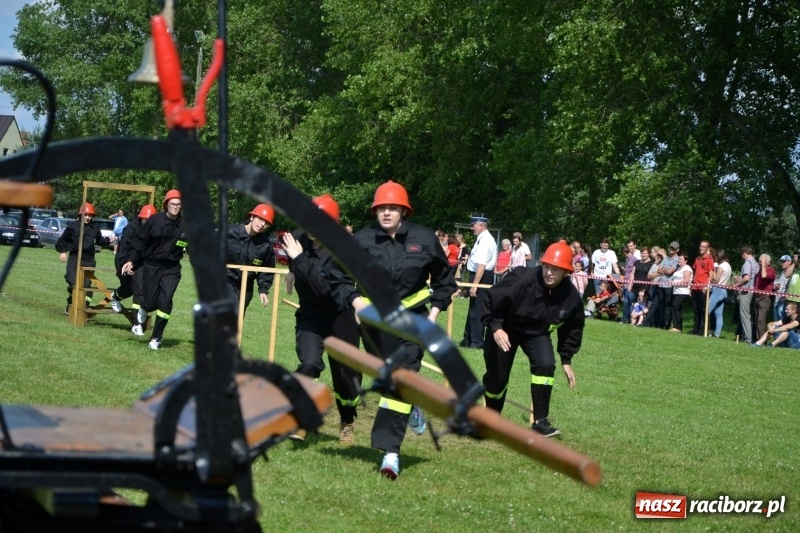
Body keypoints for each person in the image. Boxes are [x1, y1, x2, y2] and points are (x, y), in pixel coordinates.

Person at [331, 180, 455, 479]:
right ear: (375, 212)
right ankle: (411, 407)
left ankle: (390, 453)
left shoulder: (425, 238)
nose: (386, 213)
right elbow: (337, 275)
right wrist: (356, 303)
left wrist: (434, 313)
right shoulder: (361, 240)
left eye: (392, 208)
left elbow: (445, 281)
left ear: (404, 211)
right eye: (381, 208)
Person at [481, 241, 584, 437]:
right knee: (498, 377)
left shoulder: (570, 296)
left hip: (536, 332)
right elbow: (491, 299)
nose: (549, 273)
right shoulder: (521, 278)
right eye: (546, 267)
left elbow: (573, 327)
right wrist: (496, 328)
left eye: (555, 269)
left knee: (546, 365)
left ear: (566, 272)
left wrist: (566, 359)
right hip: (505, 327)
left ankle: (540, 422)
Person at [282, 195, 362, 445]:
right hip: (311, 315)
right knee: (308, 363)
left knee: (346, 377)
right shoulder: (298, 238)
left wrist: (298, 260)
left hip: (340, 316)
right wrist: (291, 271)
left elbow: (322, 288)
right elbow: (297, 262)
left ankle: (347, 421)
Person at [121, 189, 186, 350]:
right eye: (172, 204)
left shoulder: (185, 225)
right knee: (150, 303)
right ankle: (144, 307)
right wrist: (131, 260)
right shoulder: (154, 221)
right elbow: (140, 241)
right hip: (152, 266)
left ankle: (156, 337)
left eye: (178, 204)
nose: (175, 207)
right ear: (166, 205)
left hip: (172, 268)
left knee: (165, 301)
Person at [55, 202, 111, 314]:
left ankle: (84, 307)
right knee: (73, 281)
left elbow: (99, 240)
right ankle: (71, 302)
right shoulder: (73, 226)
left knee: (86, 286)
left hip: (89, 259)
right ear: (81, 215)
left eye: (90, 216)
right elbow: (62, 241)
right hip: (75, 257)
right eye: (86, 215)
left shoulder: (95, 227)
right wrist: (63, 252)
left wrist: (109, 240)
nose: (88, 218)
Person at [110, 204, 157, 323]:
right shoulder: (131, 228)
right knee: (127, 289)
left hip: (140, 263)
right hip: (124, 260)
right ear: (141, 218)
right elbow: (123, 248)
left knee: (139, 290)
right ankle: (115, 296)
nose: (148, 223)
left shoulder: (154, 231)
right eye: (146, 219)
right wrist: (127, 263)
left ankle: (137, 323)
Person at [225, 204, 276, 313]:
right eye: (260, 219)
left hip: (246, 285)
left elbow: (267, 270)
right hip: (225, 279)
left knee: (238, 317)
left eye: (266, 223)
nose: (262, 224)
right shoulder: (229, 232)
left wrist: (263, 289)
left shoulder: (265, 246)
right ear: (252, 217)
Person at [460, 215, 496, 349]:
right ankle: (468, 338)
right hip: (480, 275)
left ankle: (476, 341)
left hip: (481, 276)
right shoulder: (482, 239)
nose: (471, 228)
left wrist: (475, 285)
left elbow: (481, 265)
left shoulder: (485, 240)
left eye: (473, 225)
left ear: (480, 226)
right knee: (473, 308)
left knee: (478, 310)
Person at [732, 245, 759, 344]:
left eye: (741, 255)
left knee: (745, 315)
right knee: (748, 314)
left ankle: (747, 338)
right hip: (752, 291)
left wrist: (737, 284)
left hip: (746, 291)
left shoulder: (748, 262)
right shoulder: (755, 263)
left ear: (744, 253)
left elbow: (746, 278)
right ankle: (745, 335)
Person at [690, 240, 715, 335]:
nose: (701, 248)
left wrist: (706, 286)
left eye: (704, 247)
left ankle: (703, 329)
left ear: (707, 248)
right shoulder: (697, 259)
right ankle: (696, 328)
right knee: (696, 309)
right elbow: (696, 273)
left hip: (703, 288)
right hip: (695, 287)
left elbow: (711, 274)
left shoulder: (709, 259)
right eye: (701, 246)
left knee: (704, 309)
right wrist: (691, 286)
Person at [707, 249, 732, 338]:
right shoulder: (728, 265)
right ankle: (717, 334)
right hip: (724, 290)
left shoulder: (721, 266)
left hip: (717, 290)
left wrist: (714, 270)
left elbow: (716, 280)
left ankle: (704, 330)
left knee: (707, 310)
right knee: (719, 314)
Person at [656, 242, 680, 329]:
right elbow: (658, 270)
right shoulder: (666, 258)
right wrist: (665, 270)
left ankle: (666, 325)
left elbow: (670, 272)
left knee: (667, 306)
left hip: (669, 286)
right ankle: (661, 324)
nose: (671, 249)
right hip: (661, 285)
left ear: (677, 250)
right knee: (661, 305)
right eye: (671, 248)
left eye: (674, 248)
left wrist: (664, 269)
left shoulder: (677, 260)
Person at [752, 254, 776, 340]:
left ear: (768, 262)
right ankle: (755, 339)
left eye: (763, 260)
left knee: (761, 320)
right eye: (760, 260)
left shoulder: (771, 271)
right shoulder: (759, 271)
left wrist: (763, 265)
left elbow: (764, 276)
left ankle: (761, 341)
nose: (760, 262)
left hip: (765, 298)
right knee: (755, 320)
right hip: (757, 297)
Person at [668, 252, 693, 333]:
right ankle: (678, 327)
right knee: (676, 308)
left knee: (675, 306)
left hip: (683, 292)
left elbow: (686, 280)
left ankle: (677, 327)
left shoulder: (687, 269)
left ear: (686, 261)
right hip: (676, 291)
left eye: (681, 259)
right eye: (678, 259)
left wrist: (675, 283)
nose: (679, 260)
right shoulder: (679, 268)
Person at [774, 254, 794, 321]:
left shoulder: (793, 274)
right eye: (781, 261)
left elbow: (791, 287)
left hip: (784, 301)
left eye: (784, 261)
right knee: (776, 320)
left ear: (789, 262)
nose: (782, 263)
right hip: (777, 300)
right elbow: (777, 285)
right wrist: (776, 286)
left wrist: (785, 297)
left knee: (783, 320)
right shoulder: (781, 273)